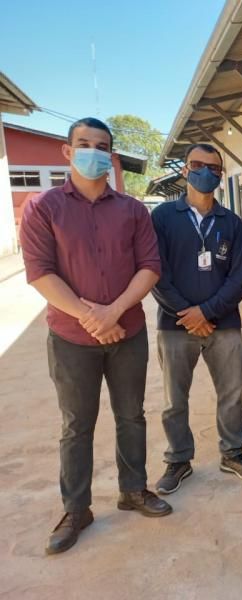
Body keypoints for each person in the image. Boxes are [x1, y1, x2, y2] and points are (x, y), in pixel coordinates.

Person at [19, 117, 172, 555]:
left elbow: (149, 267)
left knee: (131, 416)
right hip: (71, 337)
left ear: (112, 155)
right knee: (76, 425)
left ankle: (134, 490)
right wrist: (91, 316)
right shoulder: (43, 208)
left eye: (101, 145)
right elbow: (40, 273)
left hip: (128, 333)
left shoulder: (132, 210)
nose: (93, 151)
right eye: (83, 144)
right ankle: (77, 508)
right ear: (67, 152)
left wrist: (114, 312)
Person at [150, 142, 242, 494]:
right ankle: (178, 459)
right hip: (175, 325)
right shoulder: (163, 218)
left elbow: (238, 279)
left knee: (230, 394)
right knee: (174, 399)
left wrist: (207, 312)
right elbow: (156, 273)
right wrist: (187, 314)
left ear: (220, 174)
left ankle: (232, 453)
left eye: (213, 167)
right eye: (198, 164)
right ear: (185, 170)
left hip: (223, 325)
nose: (205, 171)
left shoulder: (232, 223)